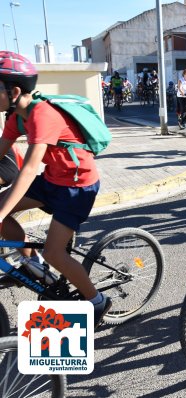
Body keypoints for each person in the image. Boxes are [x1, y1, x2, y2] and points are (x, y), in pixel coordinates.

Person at [0, 51, 111, 326]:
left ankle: (97, 301)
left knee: (55, 252)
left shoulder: (43, 115)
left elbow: (27, 170)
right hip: (52, 180)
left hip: (77, 187)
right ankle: (35, 267)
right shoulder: (16, 117)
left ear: (13, 91)